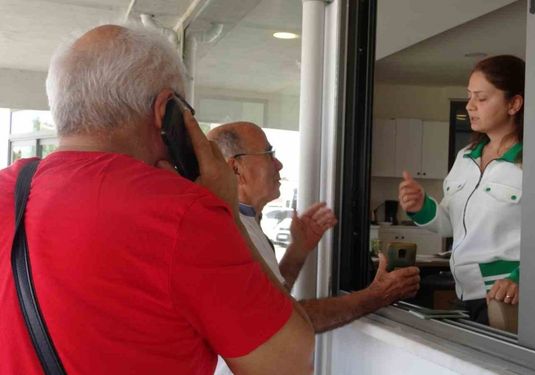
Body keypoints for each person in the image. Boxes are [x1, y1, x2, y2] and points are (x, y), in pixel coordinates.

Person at [0, 24, 314, 375]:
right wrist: (225, 210)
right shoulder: (181, 213)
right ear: (167, 112)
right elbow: (288, 363)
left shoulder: (6, 189)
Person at [207, 122, 421, 333]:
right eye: (269, 154)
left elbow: (274, 298)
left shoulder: (244, 223)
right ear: (236, 168)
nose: (279, 164)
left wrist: (298, 250)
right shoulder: (228, 232)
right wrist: (376, 295)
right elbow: (282, 317)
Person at [398, 55, 525, 324]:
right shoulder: (466, 156)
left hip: (505, 298)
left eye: (481, 98)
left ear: (514, 103)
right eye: (469, 97)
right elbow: (449, 225)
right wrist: (421, 206)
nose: (469, 106)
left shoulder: (532, 162)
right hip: (464, 293)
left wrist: (522, 278)